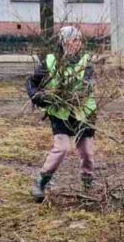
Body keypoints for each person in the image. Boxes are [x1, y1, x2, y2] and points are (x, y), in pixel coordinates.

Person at [28, 26, 98, 202]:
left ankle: (88, 184)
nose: (77, 44)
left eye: (79, 40)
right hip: (59, 111)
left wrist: (77, 94)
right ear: (64, 42)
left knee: (87, 151)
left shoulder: (86, 61)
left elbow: (88, 84)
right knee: (62, 148)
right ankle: (41, 182)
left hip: (84, 111)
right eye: (73, 40)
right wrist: (37, 96)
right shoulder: (50, 61)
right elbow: (32, 82)